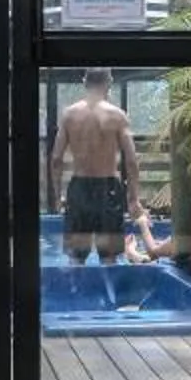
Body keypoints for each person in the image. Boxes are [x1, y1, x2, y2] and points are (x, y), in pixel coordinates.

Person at [48, 69, 144, 264]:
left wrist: (57, 196)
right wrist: (134, 199)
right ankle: (107, 283)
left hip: (79, 187)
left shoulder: (69, 115)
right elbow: (131, 161)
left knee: (75, 258)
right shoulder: (117, 116)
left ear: (85, 82)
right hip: (108, 189)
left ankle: (76, 283)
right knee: (109, 257)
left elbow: (56, 159)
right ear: (109, 82)